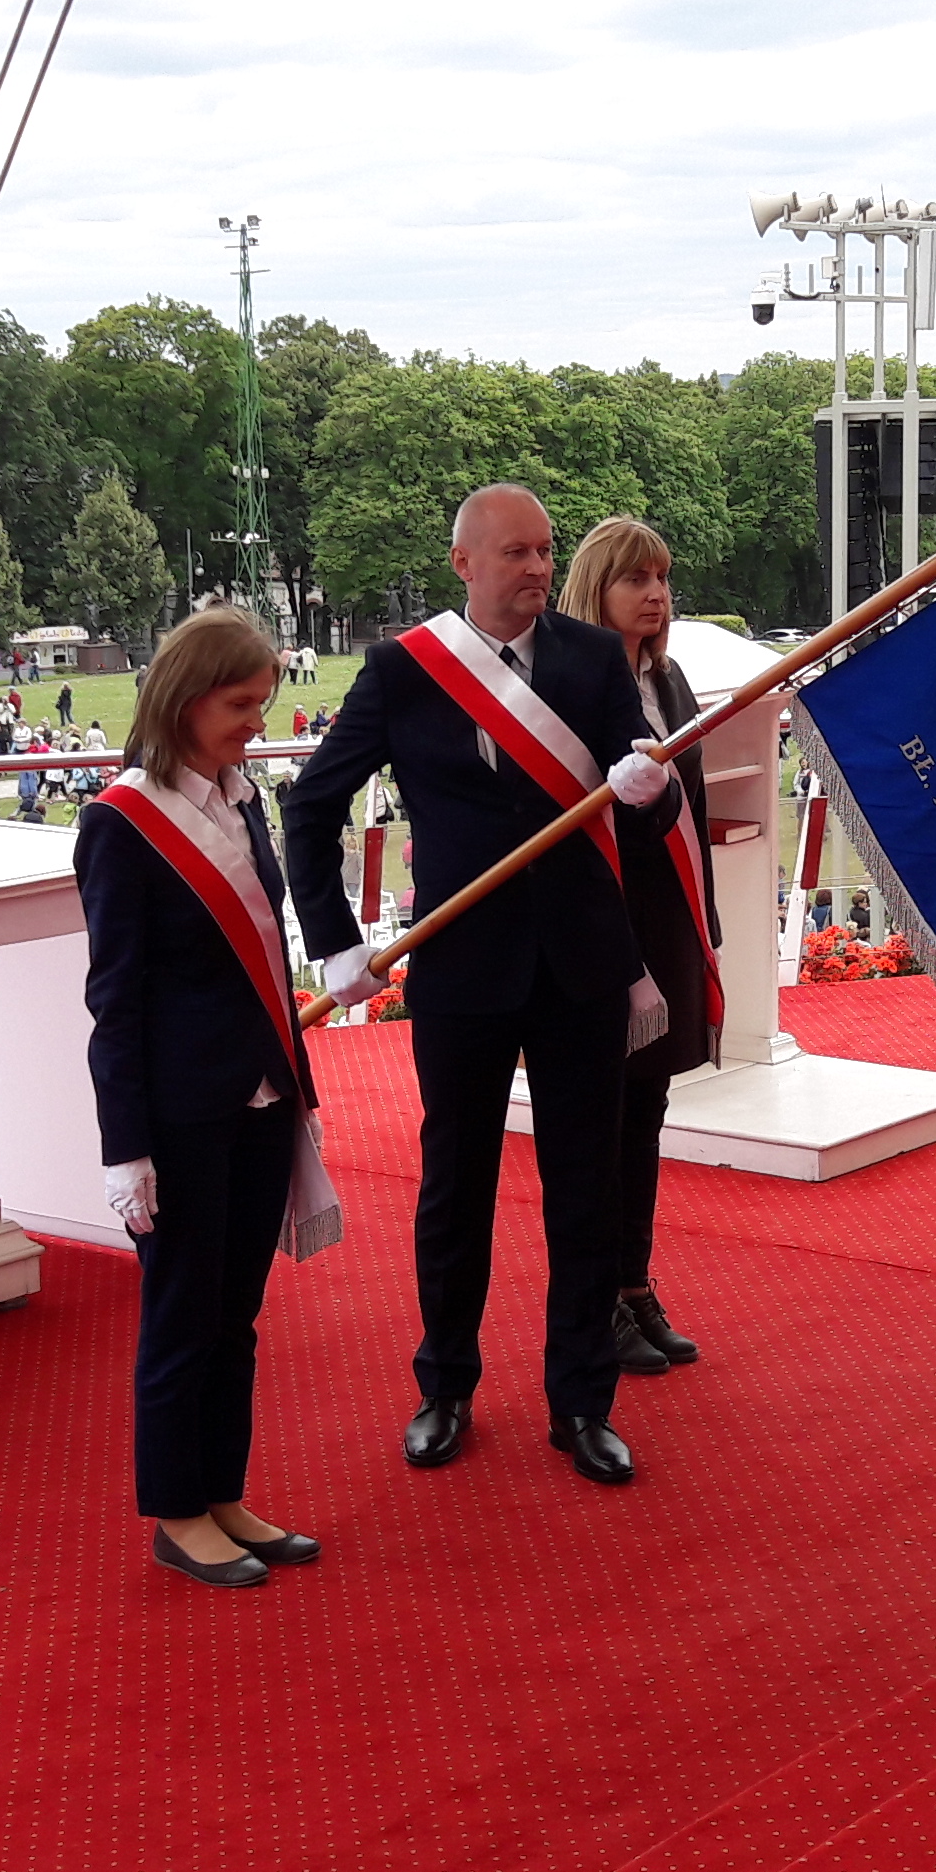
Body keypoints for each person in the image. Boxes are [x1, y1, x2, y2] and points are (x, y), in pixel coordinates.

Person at [282, 483, 674, 1487]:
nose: (538, 568)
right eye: (516, 553)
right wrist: (335, 943)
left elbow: (645, 809)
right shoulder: (403, 670)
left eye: (546, 551)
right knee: (457, 1187)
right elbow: (311, 807)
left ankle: (582, 1402)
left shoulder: (593, 658)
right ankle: (446, 1386)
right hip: (463, 969)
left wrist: (652, 790)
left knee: (584, 1189)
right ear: (463, 563)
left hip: (583, 965)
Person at [78, 606, 335, 1589]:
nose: (258, 722)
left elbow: (263, 953)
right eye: (240, 704)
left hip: (261, 1097)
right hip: (181, 1114)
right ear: (185, 702)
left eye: (262, 701)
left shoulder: (243, 801)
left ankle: (223, 1492)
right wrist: (125, 1146)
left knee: (237, 1315)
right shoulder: (122, 823)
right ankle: (178, 1513)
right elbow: (115, 1001)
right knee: (183, 1317)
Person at [558, 517, 716, 1378]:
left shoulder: (670, 677)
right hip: (600, 927)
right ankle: (595, 1304)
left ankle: (633, 1283)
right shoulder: (568, 682)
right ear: (597, 587)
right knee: (601, 1124)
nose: (656, 594)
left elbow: (689, 802)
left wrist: (703, 924)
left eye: (662, 578)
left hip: (667, 918)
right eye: (636, 579)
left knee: (645, 1114)